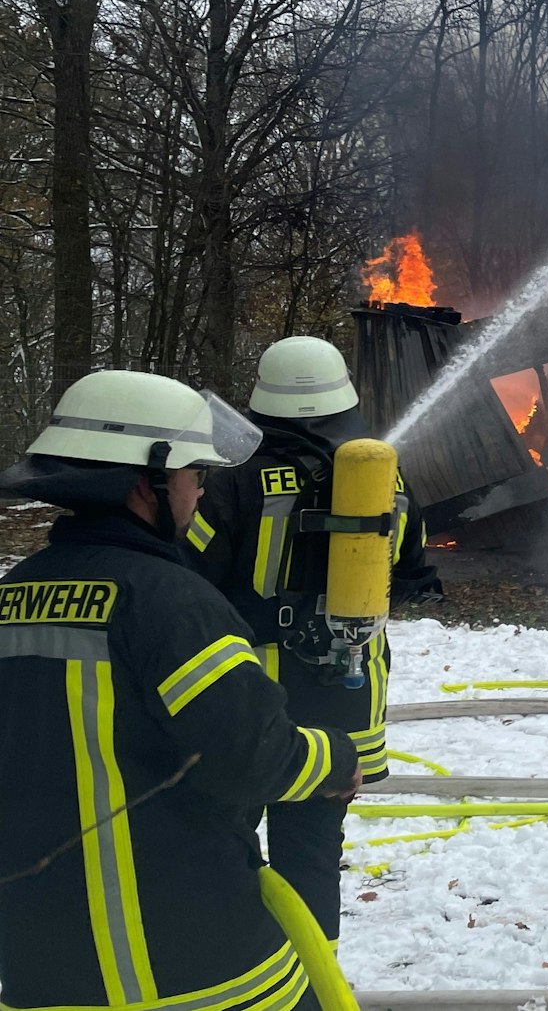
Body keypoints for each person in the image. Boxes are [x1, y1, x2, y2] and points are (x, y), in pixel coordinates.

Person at [0, 370, 360, 1011]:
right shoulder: (172, 603)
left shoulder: (13, 594)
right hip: (191, 966)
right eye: (196, 475)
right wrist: (334, 757)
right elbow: (251, 756)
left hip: (39, 966)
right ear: (150, 481)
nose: (199, 494)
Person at [185, 336, 439, 947]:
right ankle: (312, 977)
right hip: (344, 700)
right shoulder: (381, 472)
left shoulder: (228, 479)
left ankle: (242, 969)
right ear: (344, 398)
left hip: (246, 697)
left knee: (227, 840)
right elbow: (409, 570)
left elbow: (185, 581)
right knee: (314, 850)